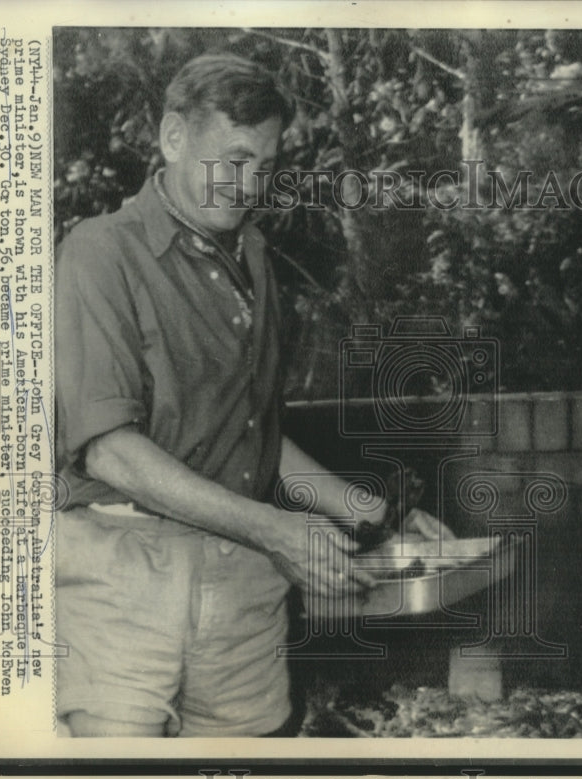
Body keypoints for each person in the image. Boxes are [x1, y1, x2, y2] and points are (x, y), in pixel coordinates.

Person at [54, 54, 449, 737]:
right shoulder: (99, 253)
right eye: (234, 160)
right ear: (173, 137)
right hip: (124, 572)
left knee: (246, 772)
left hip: (242, 582)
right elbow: (109, 451)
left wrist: (378, 516)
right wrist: (275, 529)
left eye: (265, 166)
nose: (249, 185)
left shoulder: (254, 256)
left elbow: (253, 431)